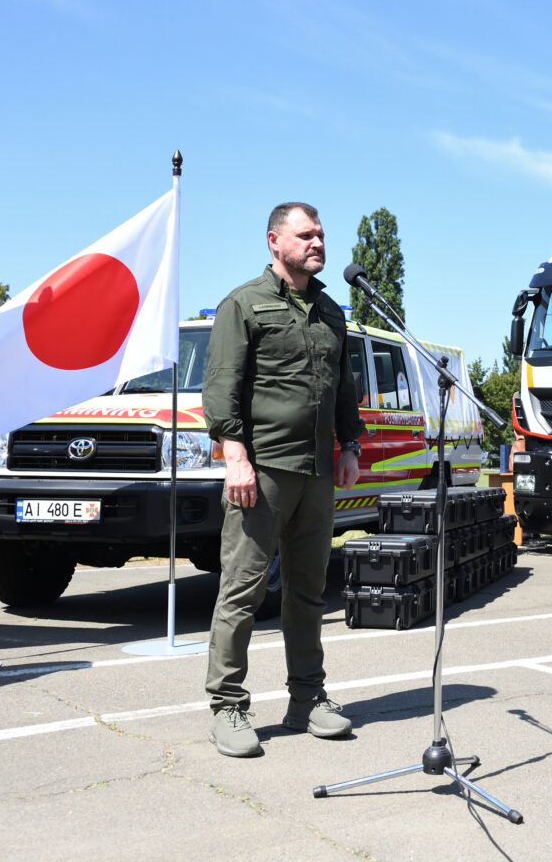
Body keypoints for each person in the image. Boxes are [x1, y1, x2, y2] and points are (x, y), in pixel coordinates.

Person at [202, 202, 366, 758]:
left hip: (318, 471)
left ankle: (307, 701)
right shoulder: (244, 304)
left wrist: (351, 443)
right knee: (242, 591)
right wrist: (236, 457)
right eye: (306, 235)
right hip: (263, 470)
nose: (317, 242)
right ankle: (227, 706)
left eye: (321, 234)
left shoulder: (330, 311)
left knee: (308, 593)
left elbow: (343, 385)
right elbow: (223, 387)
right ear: (275, 241)